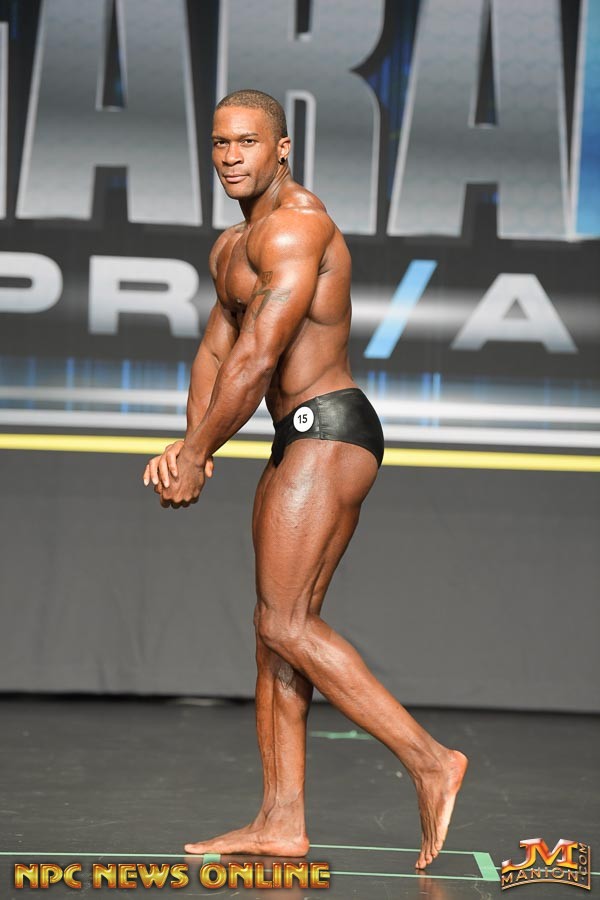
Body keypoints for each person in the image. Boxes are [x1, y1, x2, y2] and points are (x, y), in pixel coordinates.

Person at [142, 89, 468, 870]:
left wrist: (196, 456)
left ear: (282, 148)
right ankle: (280, 823)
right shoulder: (232, 245)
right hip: (296, 438)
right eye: (220, 143)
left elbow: (258, 358)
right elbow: (216, 352)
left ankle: (431, 761)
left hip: (330, 430)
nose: (230, 157)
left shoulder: (297, 227)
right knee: (274, 636)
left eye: (247, 142)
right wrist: (193, 444)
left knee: (286, 624)